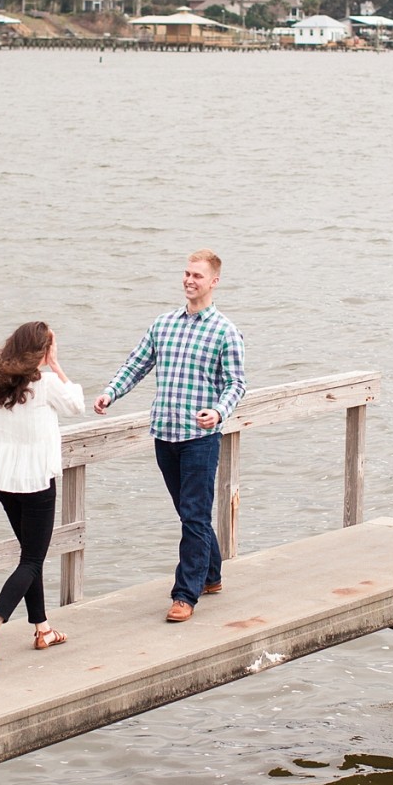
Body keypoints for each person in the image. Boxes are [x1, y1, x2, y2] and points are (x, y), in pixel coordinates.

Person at [93, 250, 247, 623]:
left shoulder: (224, 330)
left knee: (194, 514)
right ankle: (210, 575)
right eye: (186, 273)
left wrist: (219, 411)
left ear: (214, 282)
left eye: (197, 275)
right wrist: (111, 392)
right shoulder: (163, 324)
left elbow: (236, 383)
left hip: (200, 436)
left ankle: (184, 595)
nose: (189, 280)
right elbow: (137, 363)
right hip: (165, 432)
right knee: (188, 511)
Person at [0, 320, 84, 668]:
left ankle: (43, 629)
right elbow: (77, 405)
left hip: (4, 478)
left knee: (28, 556)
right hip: (35, 481)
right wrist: (56, 365)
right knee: (33, 560)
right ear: (42, 350)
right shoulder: (46, 383)